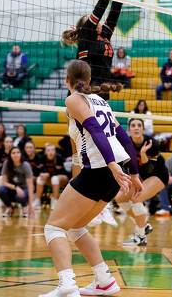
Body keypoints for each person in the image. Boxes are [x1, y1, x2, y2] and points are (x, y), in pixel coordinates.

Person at [37, 59, 141, 297]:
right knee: (75, 226)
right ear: (90, 80)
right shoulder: (101, 101)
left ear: (67, 79)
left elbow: (95, 130)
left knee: (53, 228)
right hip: (112, 173)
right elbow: (124, 137)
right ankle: (104, 280)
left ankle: (66, 285)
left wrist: (112, 165)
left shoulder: (73, 99)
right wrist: (134, 173)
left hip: (101, 169)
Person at [61, 0, 134, 92]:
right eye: (89, 20)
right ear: (83, 27)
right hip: (84, 92)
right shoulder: (86, 35)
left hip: (101, 91)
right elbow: (101, 5)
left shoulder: (104, 34)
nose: (94, 21)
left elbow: (116, 8)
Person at [115, 118, 167, 246]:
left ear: (143, 129)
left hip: (158, 175)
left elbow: (149, 169)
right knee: (120, 198)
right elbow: (123, 166)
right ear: (129, 129)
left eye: (139, 125)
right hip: (140, 176)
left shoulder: (152, 143)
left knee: (136, 198)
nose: (136, 128)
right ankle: (144, 225)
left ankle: (140, 236)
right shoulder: (125, 143)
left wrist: (143, 153)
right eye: (133, 126)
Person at [0, 147, 34, 217]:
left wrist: (31, 206)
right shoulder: (6, 163)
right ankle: (9, 207)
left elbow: (30, 186)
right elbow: (4, 182)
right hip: (12, 189)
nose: (16, 155)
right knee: (0, 190)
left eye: (18, 153)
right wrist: (16, 187)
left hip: (24, 190)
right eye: (13, 153)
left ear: (21, 154)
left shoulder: (26, 165)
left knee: (19, 196)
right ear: (10, 155)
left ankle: (25, 207)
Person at [33, 143, 68, 212]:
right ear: (45, 152)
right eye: (48, 150)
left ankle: (55, 201)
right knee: (39, 179)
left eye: (52, 150)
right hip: (50, 179)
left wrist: (48, 174)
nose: (50, 152)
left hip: (62, 178)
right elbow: (40, 169)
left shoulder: (58, 157)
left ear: (55, 151)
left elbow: (58, 171)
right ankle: (37, 201)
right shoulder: (42, 158)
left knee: (55, 178)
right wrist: (41, 174)